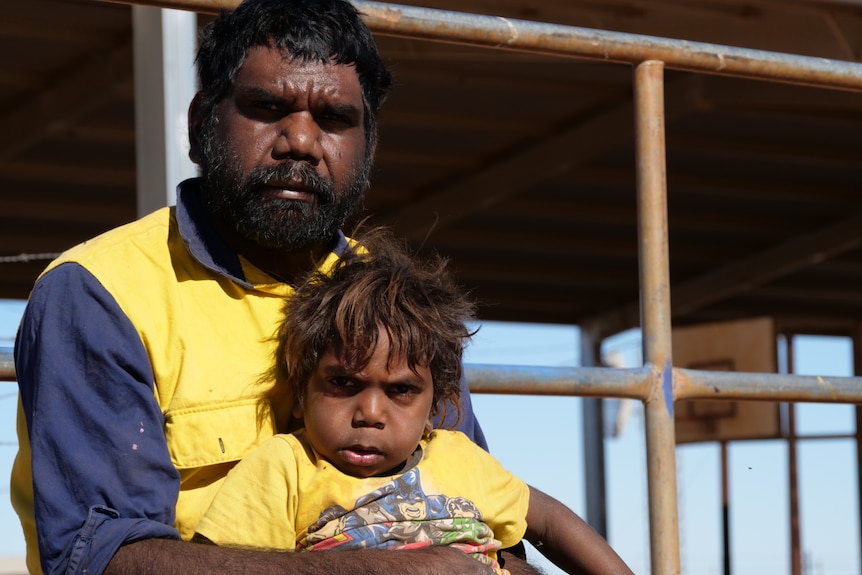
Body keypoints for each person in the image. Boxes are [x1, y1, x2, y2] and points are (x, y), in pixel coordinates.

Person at [10, 1, 517, 575]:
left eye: (333, 119)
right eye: (267, 107)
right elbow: (103, 559)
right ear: (201, 125)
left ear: (368, 146)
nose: (300, 140)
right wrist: (384, 571)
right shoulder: (102, 293)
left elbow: (487, 527)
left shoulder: (397, 303)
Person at [193, 229, 634, 575]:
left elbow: (549, 521)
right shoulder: (284, 468)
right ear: (299, 393)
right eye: (343, 382)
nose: (369, 413)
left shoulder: (460, 459)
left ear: (436, 405)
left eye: (400, 390)